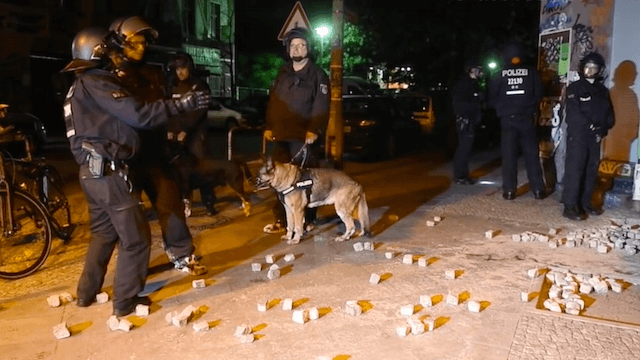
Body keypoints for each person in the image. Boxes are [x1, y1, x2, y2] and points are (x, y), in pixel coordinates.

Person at [62, 27, 209, 316]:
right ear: (99, 54)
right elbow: (137, 114)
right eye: (111, 51)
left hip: (91, 173)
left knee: (103, 234)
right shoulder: (97, 82)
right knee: (137, 239)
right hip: (109, 172)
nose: (117, 56)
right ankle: (125, 302)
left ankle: (86, 293)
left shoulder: (80, 84)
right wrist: (180, 104)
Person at [108, 16, 207, 275]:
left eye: (143, 43)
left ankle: (182, 254)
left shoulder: (152, 73)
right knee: (128, 217)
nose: (140, 48)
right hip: (125, 156)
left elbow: (162, 110)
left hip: (155, 152)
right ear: (118, 44)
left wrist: (172, 134)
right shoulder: (108, 78)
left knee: (170, 203)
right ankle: (129, 270)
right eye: (134, 43)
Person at [262, 27, 330, 235]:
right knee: (279, 181)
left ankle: (308, 219)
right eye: (293, 46)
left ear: (308, 48)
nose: (297, 49)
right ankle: (282, 220)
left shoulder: (317, 75)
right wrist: (268, 126)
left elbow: (321, 105)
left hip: (304, 138)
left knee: (306, 182)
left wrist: (314, 129)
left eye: (301, 45)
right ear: (288, 50)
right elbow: (273, 101)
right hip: (280, 135)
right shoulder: (283, 73)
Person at [489, 42, 546, 200]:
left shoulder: (498, 74)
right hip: (526, 119)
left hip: (507, 120)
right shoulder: (531, 73)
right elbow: (538, 93)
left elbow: (492, 98)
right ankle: (538, 190)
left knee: (508, 156)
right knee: (531, 155)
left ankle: (509, 191)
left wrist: (504, 109)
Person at [561, 52, 614, 220]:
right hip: (579, 136)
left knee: (591, 171)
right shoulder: (574, 88)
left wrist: (602, 128)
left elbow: (610, 115)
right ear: (582, 68)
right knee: (575, 170)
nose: (590, 70)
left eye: (594, 67)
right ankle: (570, 206)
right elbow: (573, 114)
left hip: (596, 137)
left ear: (599, 70)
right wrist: (590, 125)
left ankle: (585, 203)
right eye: (587, 67)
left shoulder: (603, 90)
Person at [165, 52, 217, 216]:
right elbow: (167, 110)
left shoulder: (199, 85)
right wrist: (170, 130)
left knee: (200, 168)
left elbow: (200, 112)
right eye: (176, 69)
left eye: (183, 68)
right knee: (178, 170)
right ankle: (184, 202)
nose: (180, 72)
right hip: (176, 135)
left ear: (189, 68)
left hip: (195, 134)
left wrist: (185, 130)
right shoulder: (170, 87)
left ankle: (208, 202)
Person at [452, 59, 484, 185]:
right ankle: (460, 175)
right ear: (471, 70)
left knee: (466, 148)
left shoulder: (472, 84)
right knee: (464, 148)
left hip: (469, 119)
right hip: (465, 120)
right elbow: (460, 104)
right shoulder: (465, 84)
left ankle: (462, 174)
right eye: (477, 69)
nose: (480, 72)